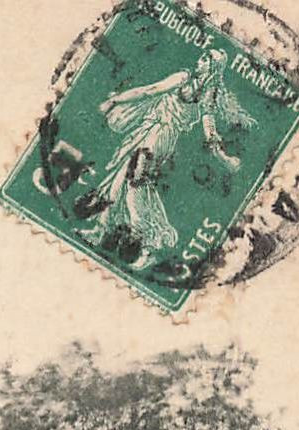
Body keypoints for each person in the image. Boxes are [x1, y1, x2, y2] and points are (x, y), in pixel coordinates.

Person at [80, 48, 256, 269]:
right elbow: (151, 92)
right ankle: (102, 229)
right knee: (119, 179)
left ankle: (147, 243)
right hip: (151, 131)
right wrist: (117, 100)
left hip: (159, 138)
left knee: (134, 184)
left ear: (211, 67)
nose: (199, 60)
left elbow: (153, 93)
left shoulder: (198, 89)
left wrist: (222, 155)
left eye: (204, 59)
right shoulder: (190, 81)